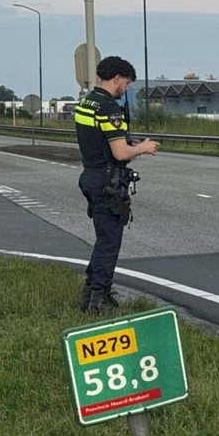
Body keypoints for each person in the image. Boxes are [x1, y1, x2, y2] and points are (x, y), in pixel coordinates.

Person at [75, 56, 159, 314]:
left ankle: (91, 292)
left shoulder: (86, 102)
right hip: (107, 181)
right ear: (117, 78)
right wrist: (142, 148)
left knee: (103, 239)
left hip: (91, 174)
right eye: (127, 83)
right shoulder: (108, 108)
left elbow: (102, 143)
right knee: (109, 242)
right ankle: (98, 300)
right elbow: (121, 153)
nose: (127, 89)